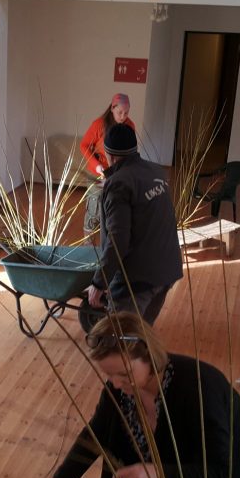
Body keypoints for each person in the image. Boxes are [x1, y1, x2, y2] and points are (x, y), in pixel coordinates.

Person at [29, 312, 240, 478]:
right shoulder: (120, 390)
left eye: (124, 374)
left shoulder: (198, 390)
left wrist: (157, 472)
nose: (115, 384)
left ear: (150, 357)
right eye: (108, 375)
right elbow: (95, 435)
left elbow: (219, 470)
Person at [84, 123, 182, 325]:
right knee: (140, 335)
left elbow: (117, 240)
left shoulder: (119, 184)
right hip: (167, 269)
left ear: (109, 155)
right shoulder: (156, 171)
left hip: (138, 280)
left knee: (117, 343)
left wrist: (99, 282)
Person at [79, 93, 137, 241]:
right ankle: (88, 246)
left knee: (115, 210)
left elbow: (131, 151)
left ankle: (109, 246)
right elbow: (84, 145)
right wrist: (97, 166)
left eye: (126, 113)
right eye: (120, 112)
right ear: (112, 108)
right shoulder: (99, 124)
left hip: (118, 173)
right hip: (98, 173)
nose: (123, 116)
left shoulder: (130, 126)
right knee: (94, 210)